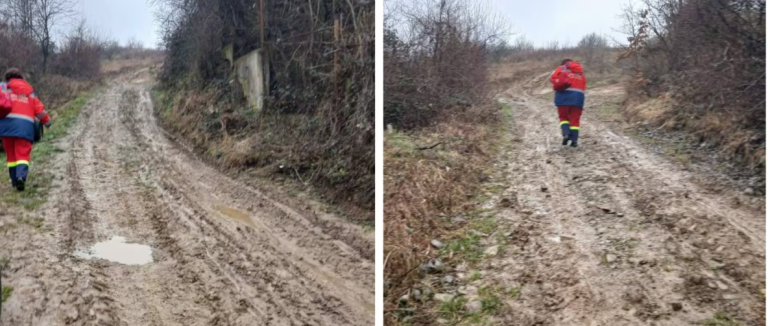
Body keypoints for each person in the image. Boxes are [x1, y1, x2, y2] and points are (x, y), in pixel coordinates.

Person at [0, 68, 51, 191]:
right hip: (25, 128)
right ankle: (20, 178)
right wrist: (47, 122)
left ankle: (13, 180)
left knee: (11, 156)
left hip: (6, 128)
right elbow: (39, 110)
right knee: (22, 154)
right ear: (21, 78)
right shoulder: (29, 91)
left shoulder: (2, 88)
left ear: (7, 78)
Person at [550, 59, 587, 147]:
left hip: (563, 97)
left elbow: (552, 79)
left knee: (563, 117)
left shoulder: (561, 68)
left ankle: (566, 134)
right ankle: (574, 141)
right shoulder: (581, 74)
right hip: (578, 98)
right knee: (575, 119)